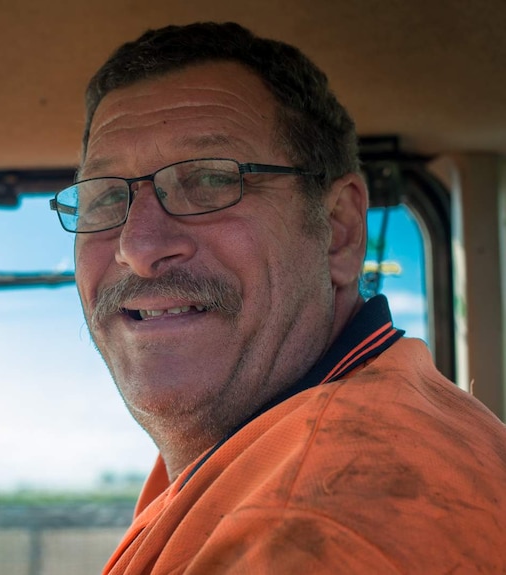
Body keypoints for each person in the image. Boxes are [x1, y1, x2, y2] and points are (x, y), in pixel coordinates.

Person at [49, 22, 506, 574]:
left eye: (212, 181)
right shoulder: (257, 448)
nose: (138, 247)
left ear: (338, 229)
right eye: (103, 196)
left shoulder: (316, 526)